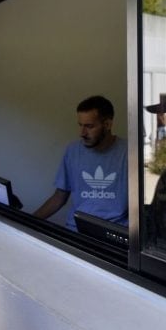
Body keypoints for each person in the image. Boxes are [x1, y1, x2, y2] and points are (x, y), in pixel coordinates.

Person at [34, 95, 128, 230]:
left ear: (107, 124)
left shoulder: (129, 153)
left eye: (89, 126)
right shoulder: (72, 151)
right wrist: (27, 221)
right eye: (80, 125)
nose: (82, 133)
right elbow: (59, 197)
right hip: (77, 231)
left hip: (115, 234)